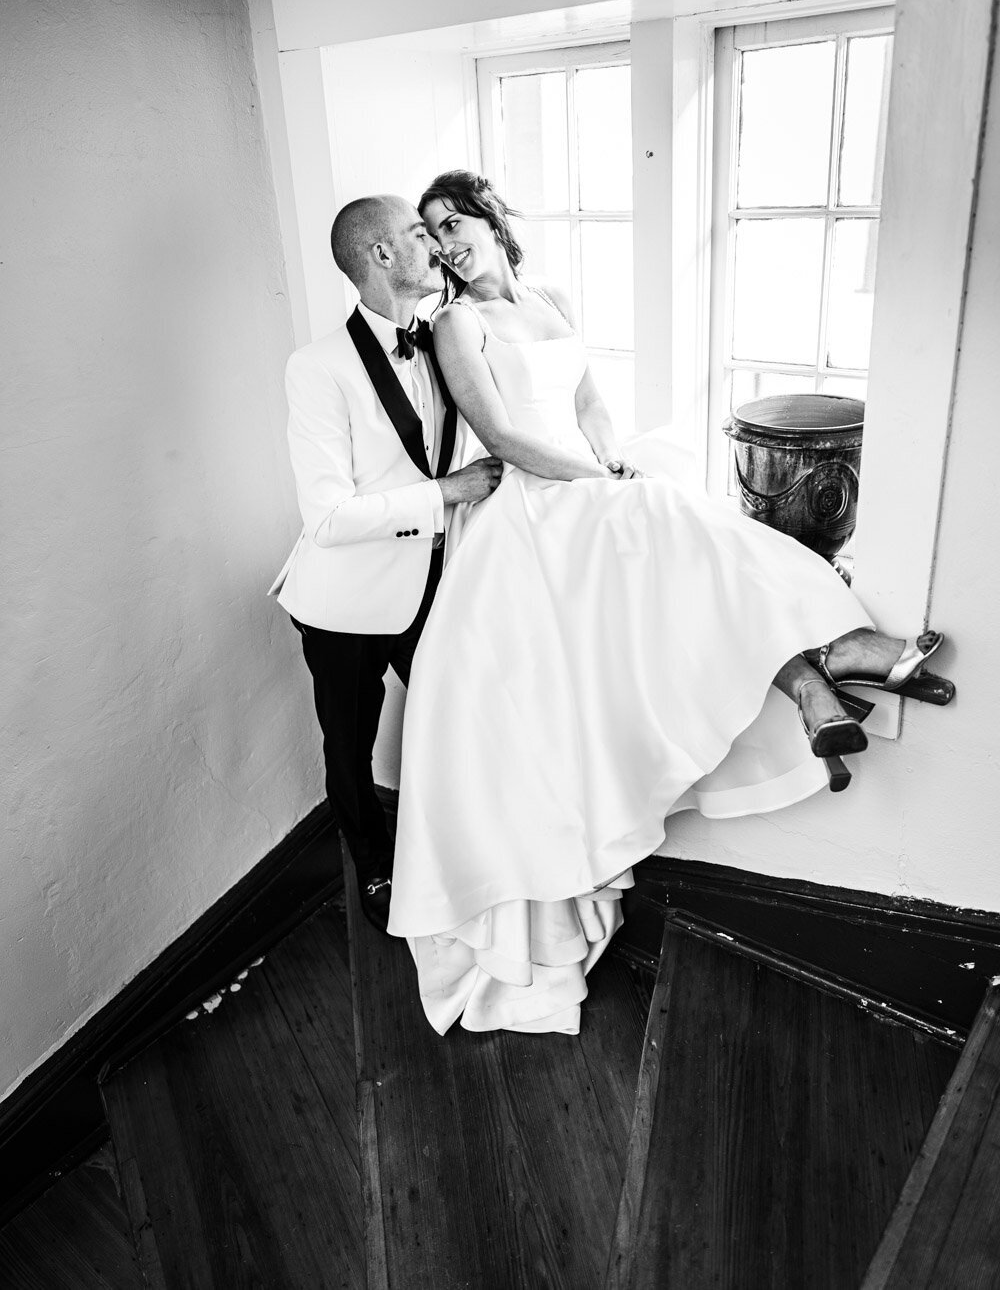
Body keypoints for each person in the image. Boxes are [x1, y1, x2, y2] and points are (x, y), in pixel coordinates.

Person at [387, 170, 948, 1035]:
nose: (446, 240)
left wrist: (615, 463)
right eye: (430, 233)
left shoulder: (553, 297)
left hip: (588, 485)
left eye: (454, 220)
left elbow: (589, 402)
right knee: (673, 522)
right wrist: (600, 483)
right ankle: (834, 662)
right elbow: (502, 435)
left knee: (692, 552)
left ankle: (814, 679)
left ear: (492, 220)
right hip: (533, 506)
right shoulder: (459, 323)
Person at [270, 195, 502, 930]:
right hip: (343, 603)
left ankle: (467, 851)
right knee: (350, 746)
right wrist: (446, 494)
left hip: (437, 584)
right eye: (415, 235)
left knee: (465, 718)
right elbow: (329, 518)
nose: (433, 244)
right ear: (378, 255)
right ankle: (372, 868)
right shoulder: (317, 369)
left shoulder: (447, 337)